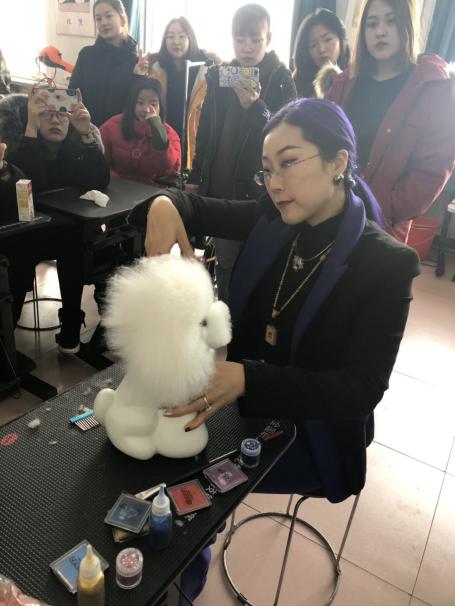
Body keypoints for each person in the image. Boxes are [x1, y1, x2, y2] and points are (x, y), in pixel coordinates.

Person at [130, 96, 420, 601]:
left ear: (337, 161)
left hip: (314, 429)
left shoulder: (386, 265)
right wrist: (163, 204)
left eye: (289, 162)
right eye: (267, 170)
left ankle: (183, 584)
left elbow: (360, 390)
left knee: (180, 480)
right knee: (157, 443)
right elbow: (194, 206)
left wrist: (247, 378)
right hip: (245, 400)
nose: (275, 184)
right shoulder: (276, 220)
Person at [188, 3, 297, 303]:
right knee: (225, 261)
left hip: (258, 189)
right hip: (219, 184)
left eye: (255, 39)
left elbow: (288, 137)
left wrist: (255, 107)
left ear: (268, 38)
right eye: (240, 39)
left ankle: (246, 319)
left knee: (257, 260)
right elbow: (206, 132)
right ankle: (227, 317)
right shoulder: (220, 75)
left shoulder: (280, 77)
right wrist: (195, 176)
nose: (247, 47)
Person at [324, 0, 455, 242]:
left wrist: (379, 210)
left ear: (408, 25)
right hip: (327, 213)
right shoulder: (344, 83)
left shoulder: (433, 88)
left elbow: (431, 173)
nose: (380, 31)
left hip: (381, 227)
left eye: (391, 21)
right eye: (372, 24)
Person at [0, 91, 110, 353]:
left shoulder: (74, 146)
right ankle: (6, 346)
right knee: (19, 260)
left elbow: (99, 180)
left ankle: (71, 327)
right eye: (46, 115)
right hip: (24, 234)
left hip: (65, 231)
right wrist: (31, 126)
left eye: (61, 114)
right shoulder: (19, 147)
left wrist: (86, 134)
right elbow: (25, 184)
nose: (55, 121)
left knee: (77, 243)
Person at [145, 17, 221, 169]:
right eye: (170, 36)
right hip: (165, 138)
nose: (176, 41)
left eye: (182, 36)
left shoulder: (208, 70)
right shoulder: (154, 69)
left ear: (190, 38)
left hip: (195, 139)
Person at [69, 0, 145, 127]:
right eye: (98, 18)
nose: (103, 22)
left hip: (121, 133)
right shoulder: (86, 55)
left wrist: (138, 76)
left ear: (122, 19)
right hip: (87, 130)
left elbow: (137, 104)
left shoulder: (135, 61)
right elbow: (73, 94)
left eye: (109, 16)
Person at [99, 77, 181, 185]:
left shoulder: (170, 133)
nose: (146, 109)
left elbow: (167, 168)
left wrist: (157, 130)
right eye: (140, 102)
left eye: (153, 104)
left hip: (152, 191)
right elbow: (99, 162)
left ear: (160, 107)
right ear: (132, 104)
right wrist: (116, 182)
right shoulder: (111, 126)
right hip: (116, 188)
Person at [292, 8, 351, 98]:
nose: (321, 49)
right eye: (313, 45)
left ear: (342, 39)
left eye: (327, 39)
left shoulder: (355, 77)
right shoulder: (297, 85)